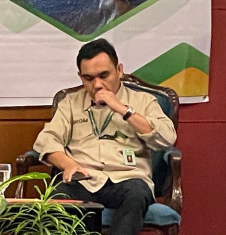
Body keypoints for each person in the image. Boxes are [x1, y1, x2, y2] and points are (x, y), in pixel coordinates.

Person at [32, 38, 177, 235]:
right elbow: (46, 140)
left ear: (119, 70)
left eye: (104, 75)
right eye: (89, 78)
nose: (97, 84)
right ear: (80, 77)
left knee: (137, 194)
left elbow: (167, 136)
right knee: (56, 196)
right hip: (83, 179)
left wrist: (122, 108)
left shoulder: (143, 101)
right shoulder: (70, 103)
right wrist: (67, 163)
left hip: (128, 178)